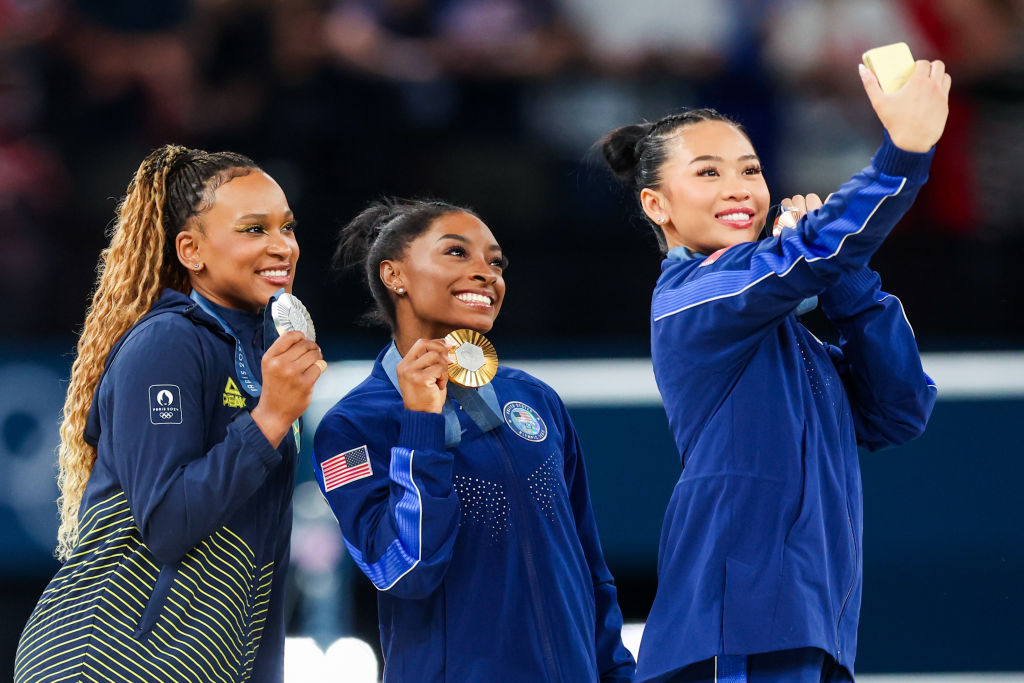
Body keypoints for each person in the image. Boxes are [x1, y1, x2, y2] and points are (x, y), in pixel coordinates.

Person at [599, 60, 950, 682]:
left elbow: (899, 411)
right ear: (657, 204)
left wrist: (847, 279)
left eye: (751, 170)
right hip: (731, 637)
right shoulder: (689, 299)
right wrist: (903, 154)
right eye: (708, 172)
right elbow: (809, 253)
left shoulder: (794, 342)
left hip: (814, 631)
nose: (739, 188)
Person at [14, 145, 324, 683]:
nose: (282, 247)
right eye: (254, 229)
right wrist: (271, 417)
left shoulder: (255, 352)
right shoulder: (168, 342)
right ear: (191, 250)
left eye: (288, 228)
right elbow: (168, 522)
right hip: (106, 660)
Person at [313, 198, 636, 682]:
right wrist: (420, 422)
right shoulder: (354, 425)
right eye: (457, 253)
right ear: (394, 275)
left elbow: (590, 566)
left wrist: (615, 673)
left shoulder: (533, 397)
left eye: (495, 261)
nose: (487, 273)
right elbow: (404, 568)